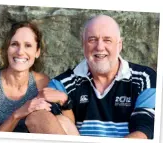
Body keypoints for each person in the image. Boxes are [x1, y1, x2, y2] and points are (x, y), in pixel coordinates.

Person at [26, 15, 156, 139]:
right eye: (92, 39)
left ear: (119, 45)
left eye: (107, 40)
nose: (100, 47)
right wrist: (66, 103)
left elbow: (145, 127)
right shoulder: (63, 83)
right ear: (83, 45)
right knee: (52, 118)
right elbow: (35, 119)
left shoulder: (144, 77)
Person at [0, 21, 54, 132]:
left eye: (28, 45)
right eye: (14, 44)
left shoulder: (43, 83)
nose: (20, 52)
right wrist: (17, 115)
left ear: (37, 52)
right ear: (6, 49)